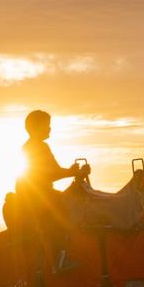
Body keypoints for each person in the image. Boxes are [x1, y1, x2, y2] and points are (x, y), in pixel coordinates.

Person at [16, 110, 88, 273]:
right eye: (47, 126)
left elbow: (54, 170)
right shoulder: (35, 147)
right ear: (37, 127)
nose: (49, 129)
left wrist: (72, 172)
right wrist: (72, 172)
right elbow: (47, 173)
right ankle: (58, 261)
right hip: (37, 196)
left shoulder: (39, 146)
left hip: (40, 192)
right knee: (64, 214)